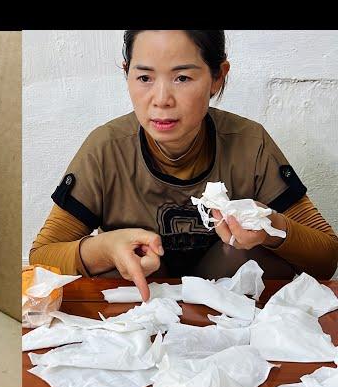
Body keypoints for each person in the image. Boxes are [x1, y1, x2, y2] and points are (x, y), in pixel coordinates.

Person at [29, 30, 338, 301]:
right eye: (145, 77)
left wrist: (272, 228)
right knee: (113, 263)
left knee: (245, 254)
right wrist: (104, 247)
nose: (161, 99)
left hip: (234, 328)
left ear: (218, 77)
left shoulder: (249, 143)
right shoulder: (106, 149)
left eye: (182, 77)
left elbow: (327, 256)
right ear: (127, 74)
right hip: (139, 324)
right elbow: (40, 259)